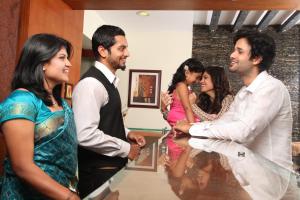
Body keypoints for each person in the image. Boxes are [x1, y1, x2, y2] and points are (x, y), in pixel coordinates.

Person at [175, 29, 293, 170]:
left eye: (240, 51)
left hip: (271, 175)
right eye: (234, 50)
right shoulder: (243, 92)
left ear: (256, 59)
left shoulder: (272, 88)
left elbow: (242, 132)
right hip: (250, 169)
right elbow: (223, 122)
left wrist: (192, 129)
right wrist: (193, 128)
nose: (232, 55)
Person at [0, 34, 79, 199]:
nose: (68, 63)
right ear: (42, 63)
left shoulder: (61, 103)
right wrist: (68, 197)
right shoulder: (21, 102)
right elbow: (22, 166)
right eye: (62, 58)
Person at [72, 25, 146, 198]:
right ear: (103, 51)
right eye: (121, 48)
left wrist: (127, 133)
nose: (127, 53)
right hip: (97, 175)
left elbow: (104, 121)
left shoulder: (107, 83)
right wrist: (126, 148)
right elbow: (85, 134)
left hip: (108, 172)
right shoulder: (91, 84)